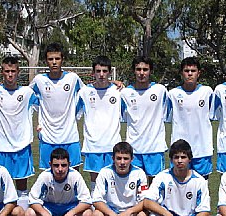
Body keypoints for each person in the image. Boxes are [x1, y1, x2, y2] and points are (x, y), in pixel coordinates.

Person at [0, 56, 39, 210]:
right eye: (7, 71)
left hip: (22, 145)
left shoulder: (27, 93)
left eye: (13, 71)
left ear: (18, 72)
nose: (10, 75)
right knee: (0, 186)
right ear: (2, 72)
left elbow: (46, 105)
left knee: (22, 187)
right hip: (1, 146)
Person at [143, 139, 211, 216]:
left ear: (189, 159)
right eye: (176, 157)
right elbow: (147, 202)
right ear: (171, 159)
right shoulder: (162, 177)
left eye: (183, 157)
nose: (179, 160)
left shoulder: (199, 181)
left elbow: (205, 211)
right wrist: (167, 215)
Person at [24, 148, 93, 216]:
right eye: (56, 165)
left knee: (87, 214)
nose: (60, 169)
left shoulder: (75, 176)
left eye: (64, 165)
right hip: (49, 207)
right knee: (30, 214)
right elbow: (33, 200)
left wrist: (71, 214)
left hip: (70, 206)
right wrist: (44, 214)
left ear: (69, 164)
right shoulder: (45, 176)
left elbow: (87, 200)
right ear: (50, 164)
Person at [29, 42, 84, 169]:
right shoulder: (39, 80)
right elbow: (24, 97)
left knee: (74, 176)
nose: (54, 62)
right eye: (50, 59)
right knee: (48, 178)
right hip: (48, 138)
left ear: (62, 60)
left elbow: (89, 94)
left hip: (70, 136)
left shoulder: (73, 78)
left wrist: (113, 83)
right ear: (46, 61)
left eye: (57, 58)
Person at [91, 142, 150, 216]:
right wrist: (112, 214)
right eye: (118, 158)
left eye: (126, 158)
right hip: (111, 212)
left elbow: (145, 201)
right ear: (113, 158)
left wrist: (128, 212)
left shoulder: (139, 173)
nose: (122, 162)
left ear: (132, 159)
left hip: (131, 213)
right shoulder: (105, 172)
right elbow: (96, 200)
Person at [76, 56, 122, 191]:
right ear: (93, 73)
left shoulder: (118, 91)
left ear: (109, 72)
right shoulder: (84, 92)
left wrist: (115, 83)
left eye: (104, 71)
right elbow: (73, 114)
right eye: (98, 71)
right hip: (93, 145)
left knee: (112, 180)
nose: (101, 74)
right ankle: (95, 208)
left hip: (112, 144)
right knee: (94, 182)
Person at [120, 56, 168, 183]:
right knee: (134, 185)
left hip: (155, 148)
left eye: (145, 69)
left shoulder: (160, 90)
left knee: (156, 185)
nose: (142, 73)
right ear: (134, 71)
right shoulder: (125, 93)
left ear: (150, 71)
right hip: (134, 148)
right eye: (138, 69)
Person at [166, 57, 214, 177]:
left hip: (202, 148)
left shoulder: (207, 92)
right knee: (178, 185)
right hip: (179, 150)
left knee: (202, 185)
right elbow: (167, 116)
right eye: (187, 71)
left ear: (199, 73)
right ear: (182, 73)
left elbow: (214, 114)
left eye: (193, 71)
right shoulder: (173, 94)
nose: (190, 74)